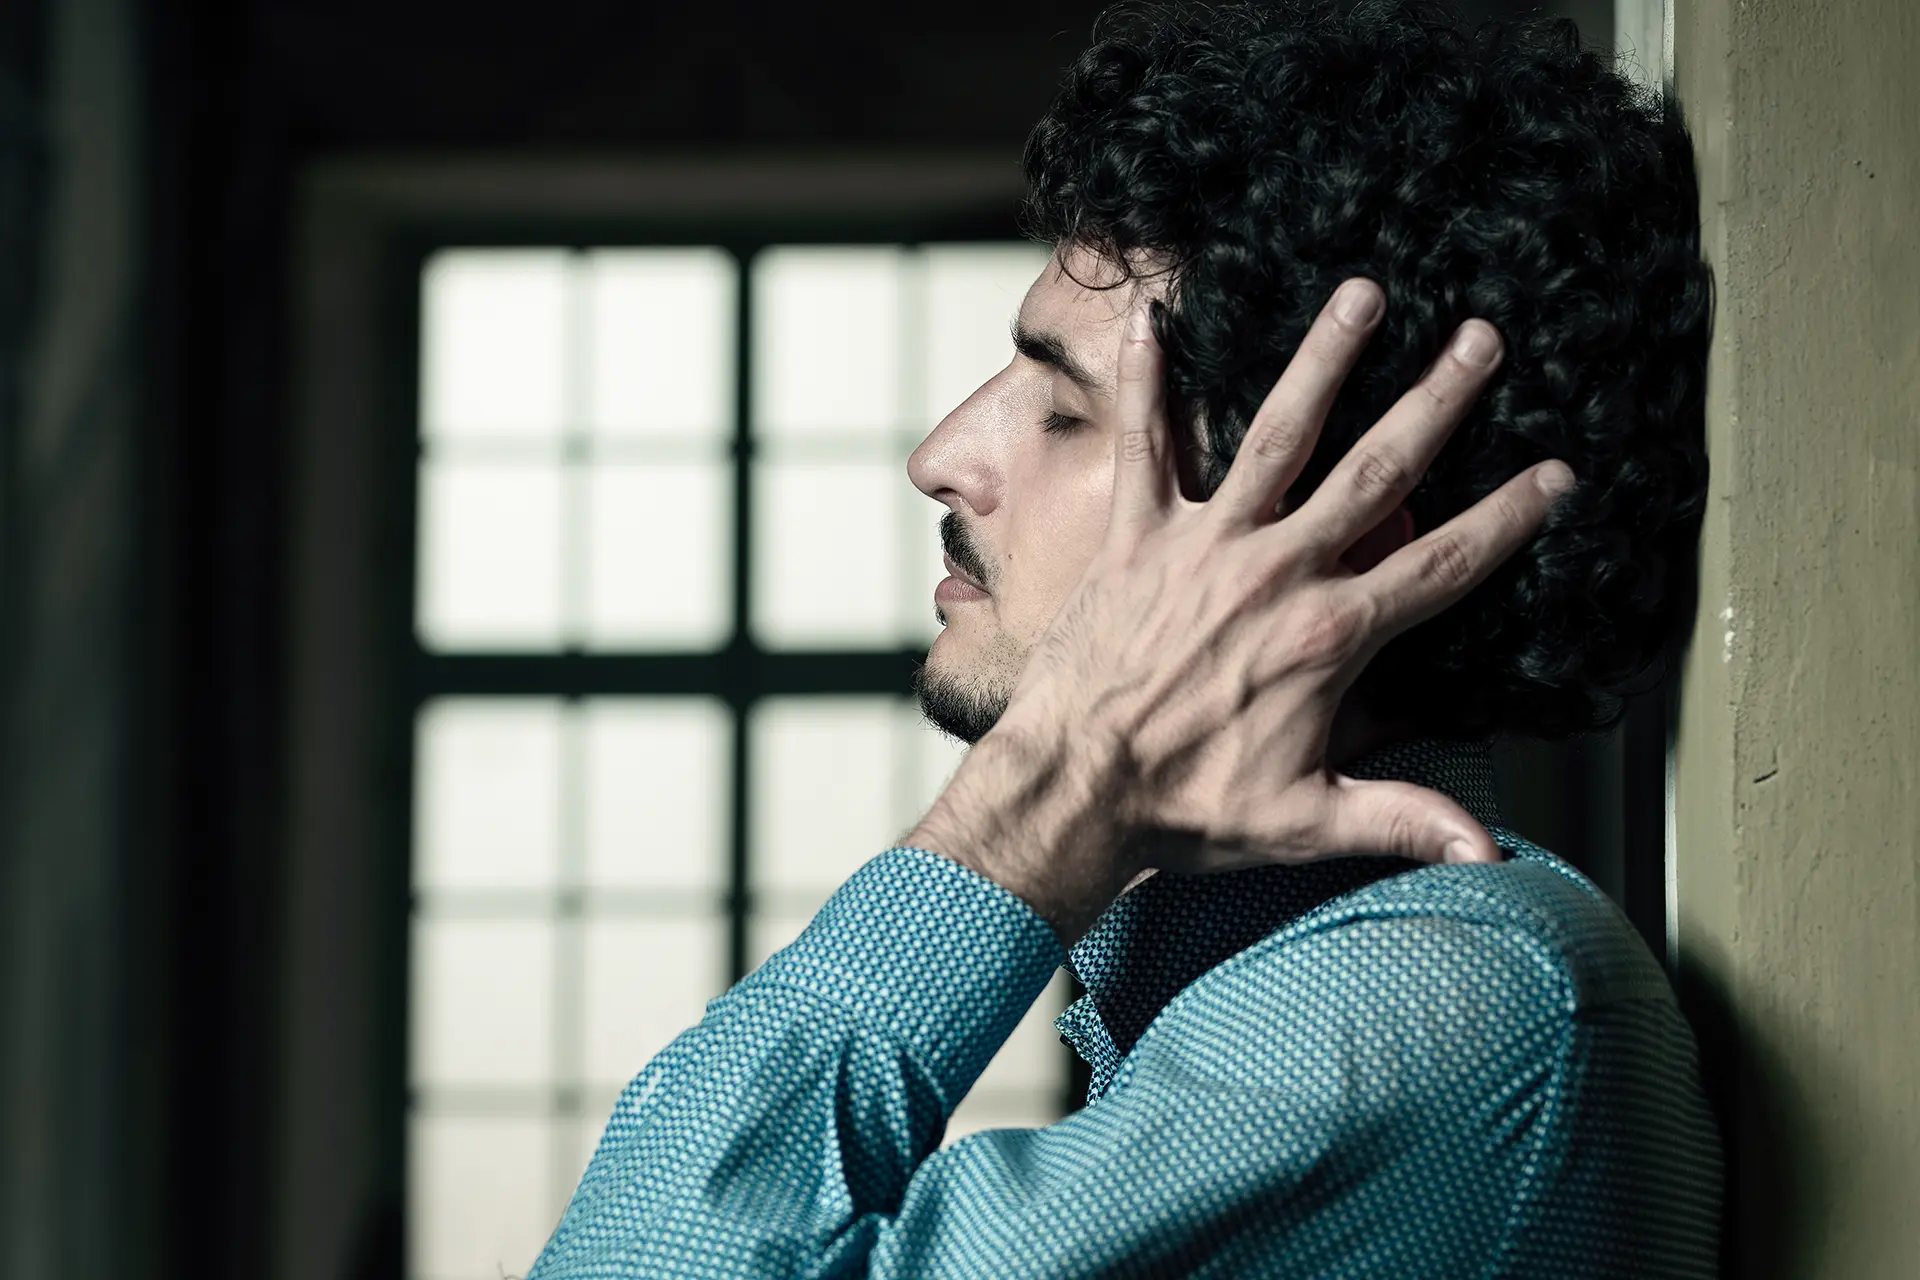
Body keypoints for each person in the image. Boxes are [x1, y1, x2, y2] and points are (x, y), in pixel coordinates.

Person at [530, 1, 1720, 1275]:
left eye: (1063, 408)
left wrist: (1034, 805)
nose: (943, 458)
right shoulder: (1305, 989)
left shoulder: (1424, 1006)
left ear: (1340, 530)